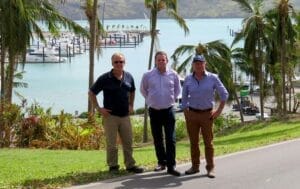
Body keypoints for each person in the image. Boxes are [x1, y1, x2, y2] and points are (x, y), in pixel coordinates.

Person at [88, 52, 144, 174]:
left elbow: (133, 91)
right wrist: (98, 108)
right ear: (112, 63)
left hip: (125, 116)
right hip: (110, 116)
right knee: (112, 144)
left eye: (121, 61)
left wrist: (131, 105)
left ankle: (130, 165)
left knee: (128, 142)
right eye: (116, 62)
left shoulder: (129, 76)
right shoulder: (104, 78)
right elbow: (91, 93)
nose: (119, 64)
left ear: (124, 62)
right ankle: (113, 166)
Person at [181, 54, 228, 178]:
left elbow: (224, 94)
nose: (198, 65)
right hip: (192, 114)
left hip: (207, 115)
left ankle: (210, 168)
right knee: (194, 142)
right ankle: (195, 167)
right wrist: (185, 111)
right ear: (193, 65)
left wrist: (218, 111)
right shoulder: (188, 79)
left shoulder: (213, 78)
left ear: (204, 64)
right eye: (196, 63)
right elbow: (184, 97)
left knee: (208, 143)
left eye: (201, 63)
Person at [140, 51, 181, 176]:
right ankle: (161, 163)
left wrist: (172, 100)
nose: (161, 62)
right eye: (159, 60)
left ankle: (171, 165)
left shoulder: (173, 74)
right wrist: (151, 100)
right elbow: (143, 90)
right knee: (158, 139)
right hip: (154, 111)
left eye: (163, 60)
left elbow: (178, 90)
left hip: (168, 111)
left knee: (171, 139)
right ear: (155, 61)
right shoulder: (148, 75)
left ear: (167, 61)